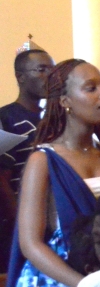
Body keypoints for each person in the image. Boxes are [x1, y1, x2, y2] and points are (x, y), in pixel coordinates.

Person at [3, 59, 100, 287]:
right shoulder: (43, 160)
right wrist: (88, 285)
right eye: (91, 88)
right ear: (65, 101)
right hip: (62, 283)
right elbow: (31, 244)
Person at [0, 49, 55, 195]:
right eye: (41, 70)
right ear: (20, 76)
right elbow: (2, 180)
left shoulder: (55, 117)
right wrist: (18, 217)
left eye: (53, 70)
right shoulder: (6, 118)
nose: (49, 76)